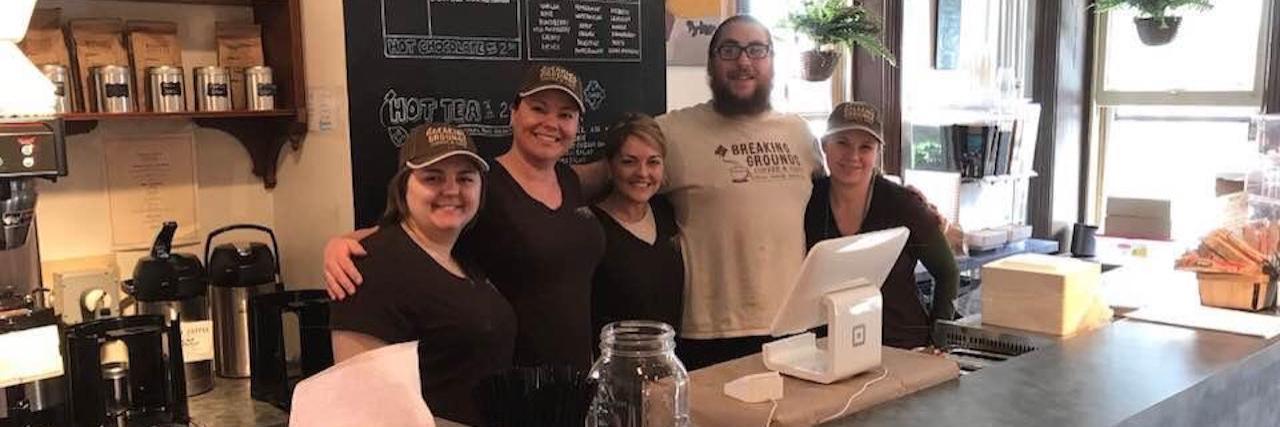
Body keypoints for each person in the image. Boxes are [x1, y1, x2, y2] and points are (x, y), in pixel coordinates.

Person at [324, 64, 606, 370]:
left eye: (565, 115)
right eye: (538, 108)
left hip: (575, 379)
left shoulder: (570, 180)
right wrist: (339, 245)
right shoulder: (480, 187)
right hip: (512, 378)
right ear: (513, 113)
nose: (551, 123)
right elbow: (402, 233)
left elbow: (622, 169)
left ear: (578, 125)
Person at [654, 15, 826, 370]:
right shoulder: (671, 132)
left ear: (772, 61)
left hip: (793, 327)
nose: (743, 61)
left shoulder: (799, 133)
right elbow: (616, 177)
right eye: (729, 50)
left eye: (756, 50)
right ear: (711, 62)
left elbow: (834, 200)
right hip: (708, 333)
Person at [328, 123, 515, 424]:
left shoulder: (461, 257)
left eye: (465, 178)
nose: (452, 190)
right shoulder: (369, 268)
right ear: (404, 187)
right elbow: (363, 407)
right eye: (432, 177)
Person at [804, 102, 959, 349]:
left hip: (902, 347)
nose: (853, 156)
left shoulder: (903, 204)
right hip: (831, 348)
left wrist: (939, 341)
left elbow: (948, 271)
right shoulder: (809, 202)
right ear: (824, 146)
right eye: (842, 142)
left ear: (877, 153)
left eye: (865, 147)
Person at [590, 113, 684, 340]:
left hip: (672, 361)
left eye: (653, 162)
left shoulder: (668, 213)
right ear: (610, 167)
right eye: (629, 162)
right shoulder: (591, 227)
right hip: (618, 367)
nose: (642, 173)